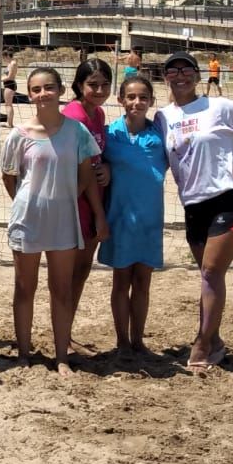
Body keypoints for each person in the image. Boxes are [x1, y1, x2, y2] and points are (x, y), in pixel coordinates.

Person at [157, 52, 233, 370]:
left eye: (187, 69)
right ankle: (216, 341)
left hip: (230, 199)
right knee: (209, 278)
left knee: (211, 271)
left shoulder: (219, 106)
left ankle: (201, 345)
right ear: (165, 77)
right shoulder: (162, 117)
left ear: (198, 76)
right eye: (173, 70)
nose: (180, 75)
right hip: (193, 205)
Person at [0, 67, 108, 375]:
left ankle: (61, 356)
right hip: (28, 219)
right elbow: (9, 178)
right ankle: (23, 354)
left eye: (49, 88)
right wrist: (29, 201)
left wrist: (65, 197)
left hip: (64, 219)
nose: (43, 94)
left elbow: (86, 174)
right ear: (29, 94)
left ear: (61, 91)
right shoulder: (19, 135)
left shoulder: (77, 132)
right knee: (25, 288)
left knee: (61, 289)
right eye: (36, 89)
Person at [99, 75, 166, 356]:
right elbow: (95, 166)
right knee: (121, 281)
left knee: (143, 282)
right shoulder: (109, 134)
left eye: (143, 97)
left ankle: (138, 340)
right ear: (120, 100)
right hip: (120, 218)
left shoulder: (161, 134)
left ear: (151, 101)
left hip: (150, 220)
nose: (137, 102)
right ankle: (122, 341)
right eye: (131, 97)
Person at [62, 58, 113, 330]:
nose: (100, 90)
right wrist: (98, 213)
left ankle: (66, 330)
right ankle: (62, 333)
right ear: (79, 85)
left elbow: (97, 159)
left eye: (105, 84)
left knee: (81, 271)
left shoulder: (98, 114)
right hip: (77, 200)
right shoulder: (75, 116)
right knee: (70, 273)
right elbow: (81, 170)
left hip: (93, 199)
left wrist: (106, 167)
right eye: (93, 85)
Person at [1, 47, 21, 126]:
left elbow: (11, 77)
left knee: (8, 105)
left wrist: (0, 79)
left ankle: (10, 124)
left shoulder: (13, 63)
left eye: (4, 57)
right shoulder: (10, 63)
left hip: (10, 84)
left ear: (7, 56)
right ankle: (9, 123)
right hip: (8, 84)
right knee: (8, 104)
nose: (3, 59)